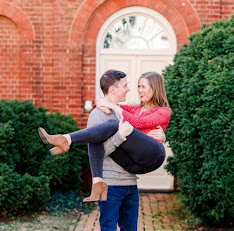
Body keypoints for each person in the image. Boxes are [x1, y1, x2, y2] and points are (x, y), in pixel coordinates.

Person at [38, 71, 170, 202]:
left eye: (143, 87)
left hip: (154, 155)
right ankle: (97, 182)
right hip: (134, 164)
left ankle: (66, 139)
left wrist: (111, 106)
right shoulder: (135, 109)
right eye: (138, 86)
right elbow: (104, 102)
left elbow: (139, 122)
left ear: (155, 88)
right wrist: (103, 105)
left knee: (113, 124)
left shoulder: (163, 111)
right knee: (98, 137)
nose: (139, 90)